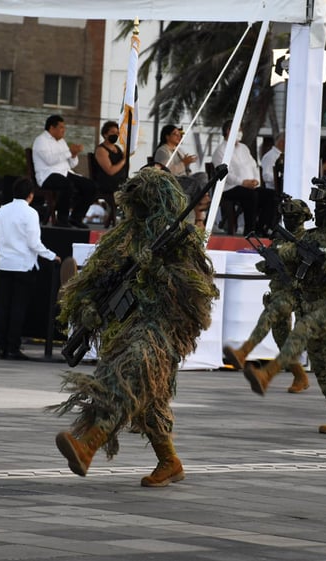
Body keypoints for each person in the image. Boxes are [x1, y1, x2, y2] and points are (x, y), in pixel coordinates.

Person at [52, 168, 218, 486]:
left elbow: (197, 292)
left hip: (161, 330)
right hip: (124, 326)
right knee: (149, 401)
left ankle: (87, 446)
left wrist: (156, 268)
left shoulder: (179, 240)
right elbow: (98, 279)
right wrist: (87, 307)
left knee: (125, 380)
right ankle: (169, 462)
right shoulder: (122, 237)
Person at [241, 187, 326, 435]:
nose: (318, 210)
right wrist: (271, 260)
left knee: (303, 329)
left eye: (323, 206)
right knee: (323, 362)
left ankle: (268, 374)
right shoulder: (310, 238)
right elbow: (288, 255)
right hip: (311, 302)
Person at [222, 197, 312, 394]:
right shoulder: (280, 238)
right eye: (286, 216)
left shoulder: (308, 240)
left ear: (303, 218)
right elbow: (265, 264)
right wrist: (267, 264)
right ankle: (299, 375)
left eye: (293, 216)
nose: (289, 220)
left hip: (300, 292)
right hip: (279, 290)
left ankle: (244, 352)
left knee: (274, 318)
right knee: (281, 337)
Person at [0, 178, 60, 361]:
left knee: (3, 307)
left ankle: (1, 348)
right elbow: (34, 243)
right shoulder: (30, 213)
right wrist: (52, 255)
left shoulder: (2, 210)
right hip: (23, 265)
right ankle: (13, 348)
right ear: (31, 195)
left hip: (4, 264)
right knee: (18, 309)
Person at [32, 114, 97, 229]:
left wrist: (74, 154)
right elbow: (49, 160)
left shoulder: (61, 142)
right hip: (48, 175)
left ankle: (76, 217)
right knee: (67, 185)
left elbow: (72, 164)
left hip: (65, 173)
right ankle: (62, 219)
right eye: (61, 127)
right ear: (52, 128)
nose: (64, 130)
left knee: (90, 186)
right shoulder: (41, 140)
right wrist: (69, 152)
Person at [212, 119, 275, 235]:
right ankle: (249, 230)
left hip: (250, 186)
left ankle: (261, 228)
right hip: (230, 188)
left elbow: (253, 165)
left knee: (271, 195)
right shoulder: (220, 151)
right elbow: (226, 174)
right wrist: (243, 182)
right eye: (238, 130)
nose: (241, 132)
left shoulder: (244, 148)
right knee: (251, 195)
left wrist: (256, 180)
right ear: (228, 131)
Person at [154, 124, 209, 227]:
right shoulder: (163, 151)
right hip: (173, 181)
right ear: (167, 136)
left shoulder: (179, 150)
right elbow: (166, 171)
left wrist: (187, 166)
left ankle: (203, 197)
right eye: (175, 134)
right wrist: (183, 163)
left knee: (202, 176)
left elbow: (187, 171)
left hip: (184, 179)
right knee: (195, 183)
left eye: (179, 134)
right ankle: (200, 209)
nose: (179, 136)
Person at [92, 120, 128, 227]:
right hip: (107, 182)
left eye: (117, 133)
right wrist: (124, 160)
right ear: (105, 134)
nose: (115, 135)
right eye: (112, 132)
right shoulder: (101, 150)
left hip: (120, 180)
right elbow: (110, 170)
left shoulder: (118, 149)